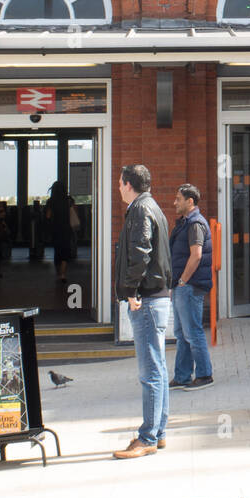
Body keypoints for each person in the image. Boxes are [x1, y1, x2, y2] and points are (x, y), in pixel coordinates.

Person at [113, 164, 173, 458]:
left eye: (119, 183)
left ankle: (147, 437)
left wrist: (131, 290)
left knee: (150, 372)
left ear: (127, 184)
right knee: (158, 369)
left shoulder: (139, 210)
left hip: (146, 299)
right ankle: (158, 433)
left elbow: (141, 250)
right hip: (157, 298)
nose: (118, 188)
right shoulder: (154, 206)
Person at [168, 183, 214, 392]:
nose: (174, 202)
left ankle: (204, 375)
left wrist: (183, 281)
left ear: (190, 201)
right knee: (181, 331)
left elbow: (196, 256)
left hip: (189, 286)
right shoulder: (187, 223)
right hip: (183, 286)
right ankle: (183, 376)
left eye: (178, 199)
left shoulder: (195, 224)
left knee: (192, 331)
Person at [44, 181, 79, 283]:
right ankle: (63, 274)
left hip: (55, 229)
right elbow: (75, 212)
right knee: (65, 250)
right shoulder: (69, 200)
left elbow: (48, 216)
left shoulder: (51, 201)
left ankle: (58, 272)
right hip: (67, 229)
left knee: (57, 251)